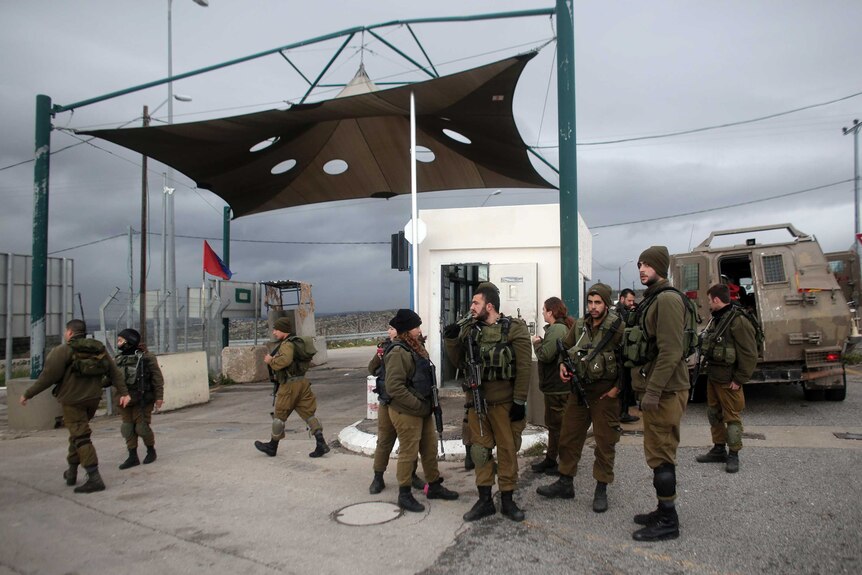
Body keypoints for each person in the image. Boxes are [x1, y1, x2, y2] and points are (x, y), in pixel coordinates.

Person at [443, 282, 532, 522]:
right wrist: (451, 339)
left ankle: (507, 500)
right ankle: (484, 501)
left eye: (475, 303)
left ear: (489, 306)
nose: (471, 307)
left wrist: (519, 401)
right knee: (480, 452)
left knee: (507, 452)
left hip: (505, 405)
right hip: (477, 404)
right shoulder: (470, 330)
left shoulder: (514, 329)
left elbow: (524, 368)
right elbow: (459, 363)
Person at [536, 283, 623, 513]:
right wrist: (563, 365)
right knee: (568, 437)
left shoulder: (617, 327)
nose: (593, 307)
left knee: (605, 443)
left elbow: (629, 362)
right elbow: (564, 348)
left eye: (598, 303)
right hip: (578, 390)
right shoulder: (581, 326)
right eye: (590, 302)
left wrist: (618, 389)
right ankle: (565, 482)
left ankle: (601, 488)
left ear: (606, 303)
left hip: (605, 394)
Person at [19, 319, 131, 493]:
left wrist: (28, 394)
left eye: (66, 331)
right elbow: (114, 372)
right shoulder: (98, 349)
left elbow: (47, 377)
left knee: (81, 437)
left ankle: (94, 477)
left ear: (70, 332)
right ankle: (71, 472)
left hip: (72, 401)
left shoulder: (63, 351)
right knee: (77, 434)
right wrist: (124, 392)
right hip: (93, 399)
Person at [626, 246, 690, 541]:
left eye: (648, 264)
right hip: (659, 391)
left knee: (662, 454)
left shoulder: (666, 300)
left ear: (660, 268)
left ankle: (668, 521)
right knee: (657, 453)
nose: (642, 268)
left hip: (665, 392)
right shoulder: (653, 299)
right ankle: (662, 510)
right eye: (640, 263)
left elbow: (671, 351)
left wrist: (652, 391)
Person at [383, 309, 459, 512]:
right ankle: (404, 493)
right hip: (407, 411)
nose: (419, 330)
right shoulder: (398, 351)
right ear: (407, 329)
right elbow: (395, 387)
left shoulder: (414, 347)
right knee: (409, 452)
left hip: (422, 409)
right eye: (416, 326)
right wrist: (417, 406)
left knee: (429, 448)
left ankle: (434, 485)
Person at [695, 283, 757, 473]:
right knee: (714, 414)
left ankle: (734, 454)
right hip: (714, 377)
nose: (708, 304)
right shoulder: (716, 319)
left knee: (732, 417)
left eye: (709, 300)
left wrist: (739, 379)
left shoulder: (738, 321)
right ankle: (719, 448)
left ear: (715, 299)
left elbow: (749, 353)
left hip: (729, 380)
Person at [254, 317, 329, 458]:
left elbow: (285, 360)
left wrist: (271, 361)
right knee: (309, 414)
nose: (274, 332)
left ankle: (272, 446)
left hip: (289, 385)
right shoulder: (298, 342)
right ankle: (321, 443)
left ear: (283, 330)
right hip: (302, 383)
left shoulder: (287, 345)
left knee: (279, 416)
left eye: (276, 329)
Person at [367, 325, 424, 494]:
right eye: (388, 329)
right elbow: (371, 369)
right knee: (385, 440)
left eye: (392, 329)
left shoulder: (414, 346)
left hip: (404, 400)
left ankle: (411, 475)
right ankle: (378, 477)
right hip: (387, 400)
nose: (388, 332)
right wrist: (379, 356)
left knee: (409, 441)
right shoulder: (385, 347)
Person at [529, 296, 574, 475]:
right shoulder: (561, 327)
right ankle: (551, 459)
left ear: (551, 312)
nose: (542, 313)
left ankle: (562, 464)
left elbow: (546, 355)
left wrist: (537, 343)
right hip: (556, 386)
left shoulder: (556, 329)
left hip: (557, 387)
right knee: (555, 425)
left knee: (558, 426)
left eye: (544, 310)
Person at [114, 328, 165, 469]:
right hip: (124, 399)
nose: (118, 343)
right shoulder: (118, 359)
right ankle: (132, 456)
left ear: (129, 341)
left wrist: (159, 397)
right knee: (127, 428)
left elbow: (157, 378)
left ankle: (151, 450)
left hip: (142, 398)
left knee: (142, 428)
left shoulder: (146, 358)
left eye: (120, 340)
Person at [615, 289, 640, 424]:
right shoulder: (619, 314)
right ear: (622, 299)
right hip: (620, 356)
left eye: (632, 301)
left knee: (626, 385)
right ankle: (622, 413)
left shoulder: (627, 313)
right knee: (622, 386)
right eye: (629, 300)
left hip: (626, 356)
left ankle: (624, 411)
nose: (631, 303)